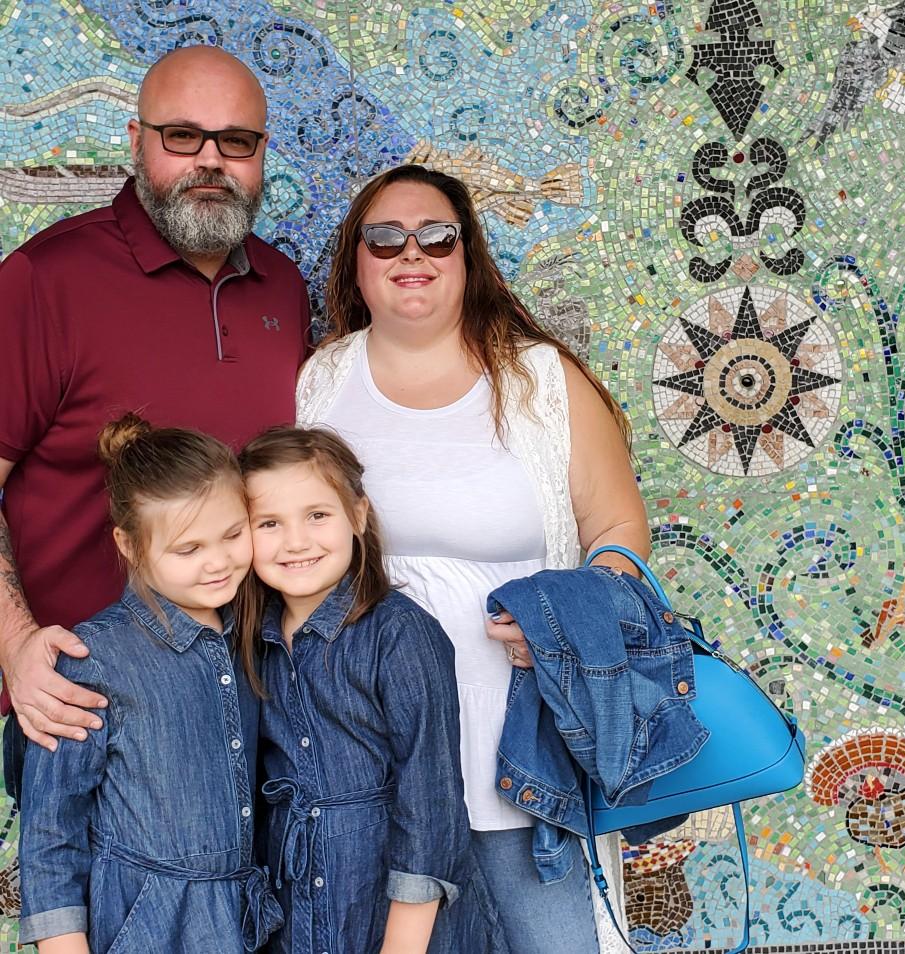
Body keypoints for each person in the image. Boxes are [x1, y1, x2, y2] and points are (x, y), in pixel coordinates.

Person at [295, 164, 651, 954]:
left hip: (522, 755)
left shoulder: (540, 380)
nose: (410, 253)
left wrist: (569, 621)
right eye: (384, 238)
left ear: (468, 253)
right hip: (371, 762)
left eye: (436, 236)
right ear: (356, 261)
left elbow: (619, 522)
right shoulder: (320, 383)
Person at [0, 45, 310, 793]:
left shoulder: (282, 285)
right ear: (138, 141)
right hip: (92, 707)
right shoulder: (46, 279)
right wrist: (15, 647)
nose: (210, 161)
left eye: (236, 141)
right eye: (183, 135)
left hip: (257, 703)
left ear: (262, 152)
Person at [237, 426, 508, 954]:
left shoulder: (399, 634)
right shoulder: (251, 640)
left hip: (397, 914)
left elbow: (429, 801)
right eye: (269, 523)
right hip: (299, 910)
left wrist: (402, 944)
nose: (296, 541)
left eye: (318, 515)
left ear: (358, 515)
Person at [18, 413, 282, 954]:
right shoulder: (94, 659)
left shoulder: (253, 633)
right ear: (130, 545)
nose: (218, 562)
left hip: (243, 927)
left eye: (233, 535)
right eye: (188, 549)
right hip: (145, 930)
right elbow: (52, 832)